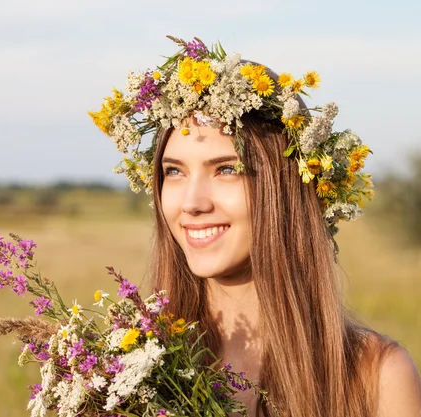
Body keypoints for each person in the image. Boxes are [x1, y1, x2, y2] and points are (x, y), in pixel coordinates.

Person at [90, 36, 421, 416]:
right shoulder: (125, 371)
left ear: (284, 188)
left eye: (227, 169)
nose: (192, 204)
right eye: (174, 172)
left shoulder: (375, 377)